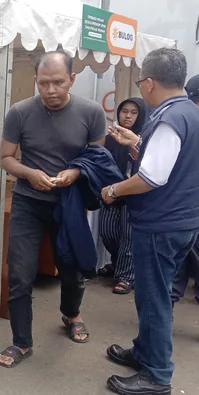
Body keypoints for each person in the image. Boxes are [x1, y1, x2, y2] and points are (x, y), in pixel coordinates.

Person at [0, 50, 107, 368]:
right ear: (36, 81)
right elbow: (5, 158)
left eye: (58, 82)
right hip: (28, 202)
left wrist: (75, 173)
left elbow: (96, 159)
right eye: (44, 83)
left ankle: (71, 314)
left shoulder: (91, 112)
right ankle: (21, 341)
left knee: (71, 270)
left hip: (69, 204)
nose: (51, 91)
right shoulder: (19, 112)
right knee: (20, 273)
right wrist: (29, 173)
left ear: (72, 79)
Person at [103, 48, 199, 395]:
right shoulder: (188, 111)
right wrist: (137, 142)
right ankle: (144, 352)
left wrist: (113, 189)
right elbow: (172, 161)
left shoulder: (169, 117)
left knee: (154, 298)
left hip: (161, 223)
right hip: (182, 220)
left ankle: (157, 375)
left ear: (149, 82)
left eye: (142, 79)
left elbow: (151, 178)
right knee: (151, 295)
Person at [97, 98, 147, 294]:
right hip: (112, 192)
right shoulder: (111, 138)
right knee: (107, 232)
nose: (127, 116)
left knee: (128, 237)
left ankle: (126, 276)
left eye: (133, 112)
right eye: (124, 111)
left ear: (140, 115)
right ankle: (118, 263)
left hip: (135, 195)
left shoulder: (146, 138)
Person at [170, 74, 199, 307]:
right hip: (187, 208)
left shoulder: (185, 119)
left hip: (187, 208)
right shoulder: (189, 119)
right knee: (180, 260)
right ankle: (167, 304)